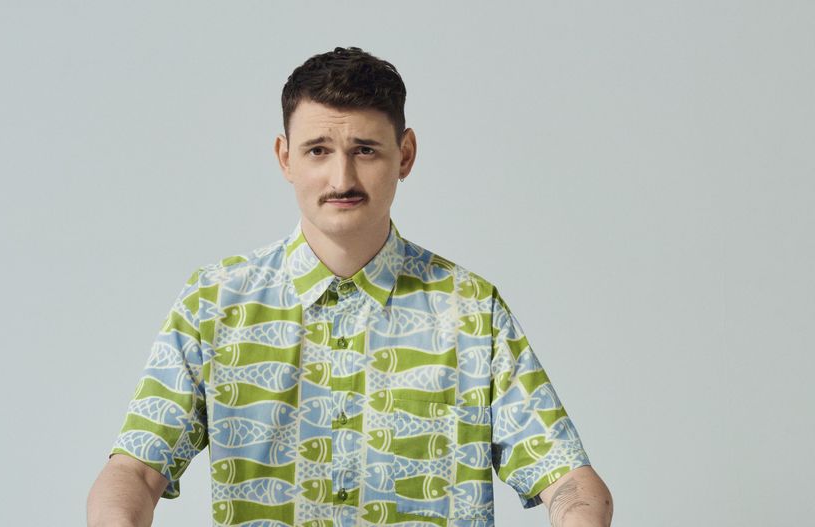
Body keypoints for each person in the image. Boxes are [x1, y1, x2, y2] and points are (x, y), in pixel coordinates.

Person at [87, 46, 613, 527]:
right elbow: (134, 471)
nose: (341, 179)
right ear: (285, 157)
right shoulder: (215, 303)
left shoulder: (472, 311)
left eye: (365, 150)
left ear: (405, 155)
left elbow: (568, 478)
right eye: (318, 150)